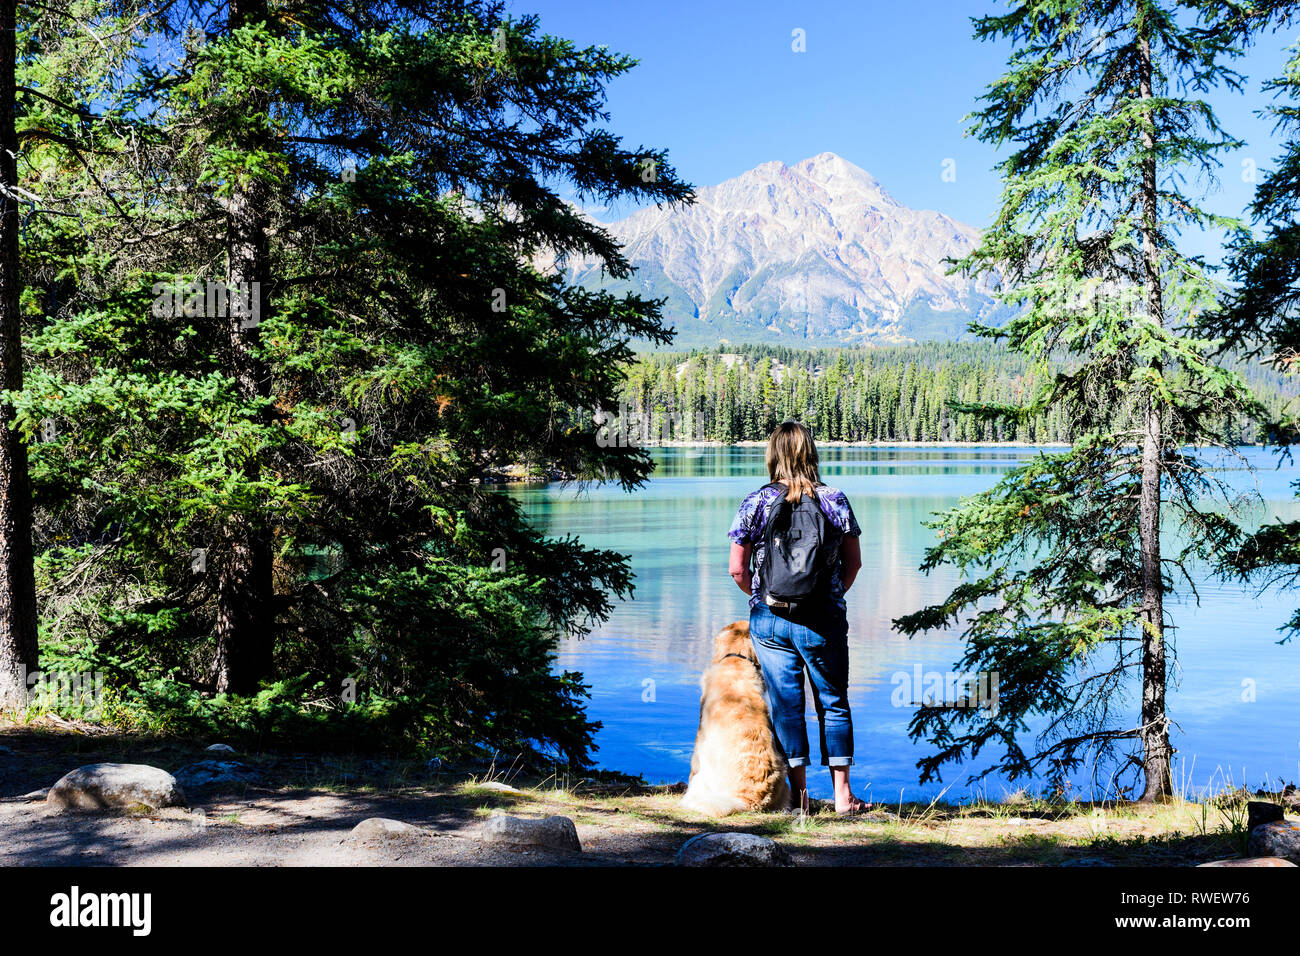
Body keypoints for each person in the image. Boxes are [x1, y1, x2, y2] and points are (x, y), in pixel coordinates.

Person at [726, 420, 867, 814]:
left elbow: (738, 568)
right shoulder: (834, 499)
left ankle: (800, 801)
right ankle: (843, 798)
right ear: (811, 453)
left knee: (787, 706)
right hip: (823, 619)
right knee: (833, 703)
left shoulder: (756, 501)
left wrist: (761, 599)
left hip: (770, 620)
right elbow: (853, 564)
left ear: (773, 454)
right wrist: (828, 599)